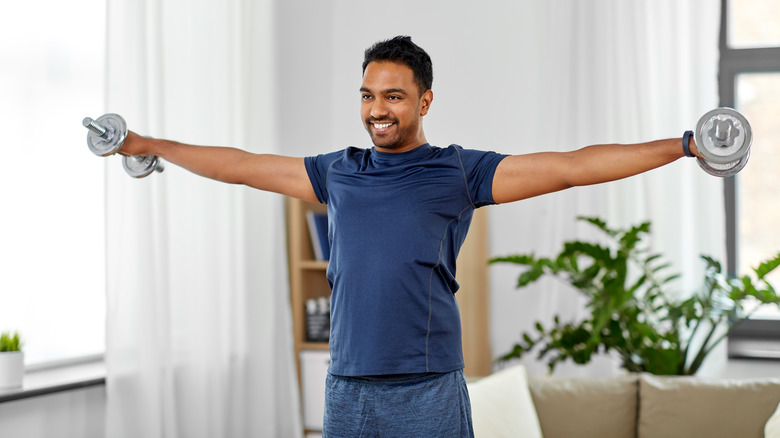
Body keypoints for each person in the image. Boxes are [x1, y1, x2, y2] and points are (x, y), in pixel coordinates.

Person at [119, 35, 701, 437]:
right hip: (347, 384)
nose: (378, 110)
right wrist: (149, 146)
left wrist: (684, 146)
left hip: (426, 387)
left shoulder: (458, 172)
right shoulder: (337, 171)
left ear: (424, 100)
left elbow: (573, 165)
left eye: (393, 96)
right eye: (368, 96)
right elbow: (241, 164)